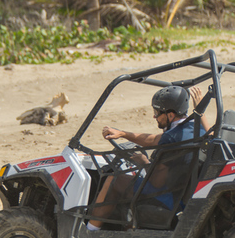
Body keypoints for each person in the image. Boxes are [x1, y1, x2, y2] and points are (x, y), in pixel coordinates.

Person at [86, 85, 211, 230]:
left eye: (158, 112)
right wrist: (123, 134)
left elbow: (157, 182)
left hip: (169, 197)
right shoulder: (196, 129)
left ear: (170, 115)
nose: (154, 116)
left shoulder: (171, 138)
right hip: (184, 192)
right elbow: (153, 140)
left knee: (114, 180)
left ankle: (90, 231)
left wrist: (143, 161)